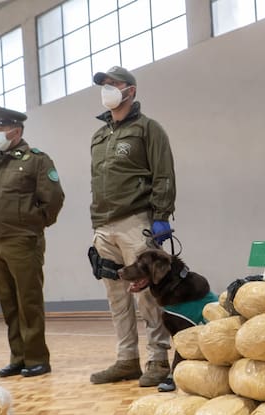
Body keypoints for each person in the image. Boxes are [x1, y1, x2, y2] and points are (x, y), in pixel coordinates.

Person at [88, 65, 176, 386]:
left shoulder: (148, 129)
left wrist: (161, 216)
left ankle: (158, 358)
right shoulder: (99, 136)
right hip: (103, 225)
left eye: (113, 84)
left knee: (147, 294)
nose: (107, 90)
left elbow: (163, 173)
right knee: (116, 295)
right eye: (104, 85)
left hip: (136, 221)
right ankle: (126, 359)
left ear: (130, 90)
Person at [0, 101, 65, 378]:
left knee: (28, 301)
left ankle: (37, 358)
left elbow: (54, 199)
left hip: (23, 240)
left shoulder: (36, 160)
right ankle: (18, 357)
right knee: (8, 302)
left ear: (15, 130)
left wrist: (32, 225)